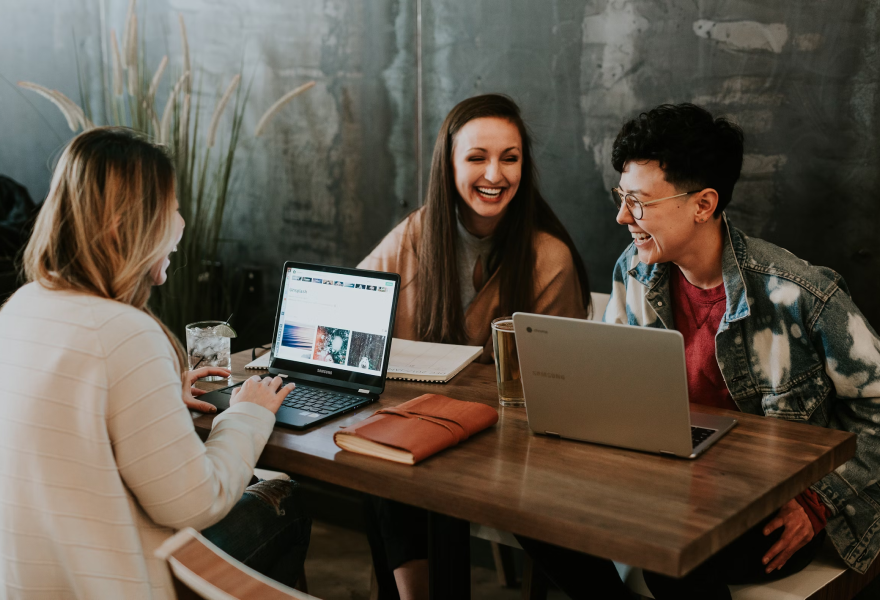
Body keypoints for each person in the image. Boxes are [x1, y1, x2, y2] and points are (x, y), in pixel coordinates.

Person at [517, 103, 880, 599]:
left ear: (703, 204)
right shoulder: (635, 270)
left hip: (765, 509)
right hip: (664, 486)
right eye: (621, 197)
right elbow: (611, 393)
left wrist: (818, 502)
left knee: (674, 544)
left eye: (639, 202)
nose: (623, 216)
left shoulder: (800, 296)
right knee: (528, 509)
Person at [0, 127, 311, 599]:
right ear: (131, 224)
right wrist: (249, 413)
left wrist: (162, 395)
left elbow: (70, 427)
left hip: (33, 581)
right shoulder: (124, 332)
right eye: (171, 207)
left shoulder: (22, 306)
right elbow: (193, 503)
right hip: (113, 583)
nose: (181, 222)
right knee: (288, 498)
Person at [358, 94, 591, 600]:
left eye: (510, 158)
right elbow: (356, 302)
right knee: (381, 462)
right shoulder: (419, 232)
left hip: (508, 448)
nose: (495, 173)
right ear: (449, 164)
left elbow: (556, 386)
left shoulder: (548, 258)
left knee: (392, 466)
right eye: (477, 157)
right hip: (422, 431)